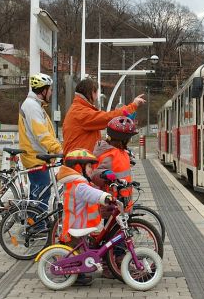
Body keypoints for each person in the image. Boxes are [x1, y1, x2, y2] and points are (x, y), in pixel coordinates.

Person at [57, 148, 113, 285]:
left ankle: (76, 272)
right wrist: (106, 197)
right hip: (75, 226)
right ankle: (75, 276)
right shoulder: (79, 185)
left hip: (75, 224)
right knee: (76, 252)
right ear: (78, 167)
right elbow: (91, 194)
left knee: (78, 250)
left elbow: (90, 190)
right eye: (89, 166)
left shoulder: (77, 182)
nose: (91, 170)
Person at [63, 78, 145, 154]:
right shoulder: (81, 112)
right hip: (79, 163)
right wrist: (133, 106)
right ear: (91, 92)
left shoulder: (78, 109)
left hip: (80, 159)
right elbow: (108, 118)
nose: (96, 97)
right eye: (96, 93)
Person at [18, 72, 62, 212]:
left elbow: (46, 132)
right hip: (34, 155)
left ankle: (39, 221)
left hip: (38, 154)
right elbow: (41, 134)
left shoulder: (37, 106)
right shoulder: (32, 106)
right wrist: (57, 149)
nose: (51, 92)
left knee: (43, 191)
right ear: (43, 91)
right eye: (50, 89)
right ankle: (35, 225)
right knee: (40, 190)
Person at [91, 115, 138, 208]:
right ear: (122, 139)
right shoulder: (110, 155)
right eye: (128, 139)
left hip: (123, 200)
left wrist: (128, 158)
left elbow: (119, 167)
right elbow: (95, 175)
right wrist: (104, 174)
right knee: (111, 223)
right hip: (112, 204)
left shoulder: (120, 151)